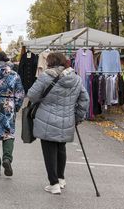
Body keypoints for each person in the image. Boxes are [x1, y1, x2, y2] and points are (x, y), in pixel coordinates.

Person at [27, 51, 89, 194]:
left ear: (50, 63)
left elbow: (31, 95)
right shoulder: (76, 78)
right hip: (67, 119)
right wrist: (78, 117)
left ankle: (53, 183)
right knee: (61, 148)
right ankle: (61, 178)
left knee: (49, 151)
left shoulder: (45, 77)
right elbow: (84, 99)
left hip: (46, 119)